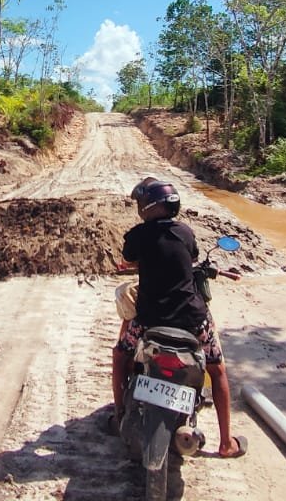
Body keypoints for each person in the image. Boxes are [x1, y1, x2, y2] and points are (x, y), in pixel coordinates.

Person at [109, 177, 247, 459]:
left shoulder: (138, 235)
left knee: (120, 356)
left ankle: (119, 416)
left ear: (147, 207)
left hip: (149, 320)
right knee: (217, 370)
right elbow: (192, 256)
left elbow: (129, 258)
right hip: (193, 321)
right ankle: (226, 443)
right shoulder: (185, 232)